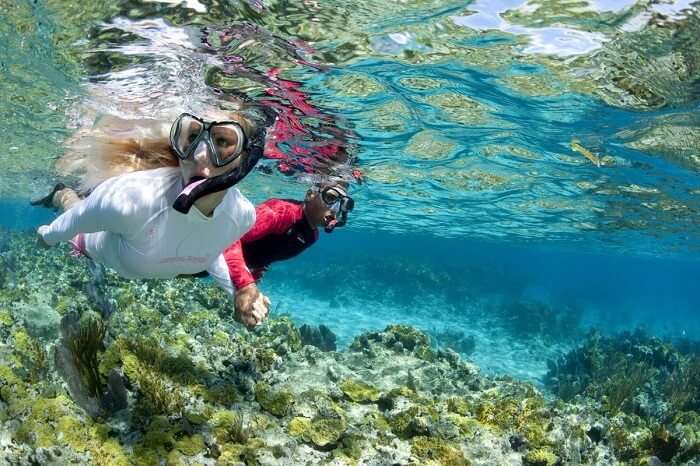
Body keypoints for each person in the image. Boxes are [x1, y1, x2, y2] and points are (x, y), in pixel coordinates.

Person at [34, 104, 276, 324]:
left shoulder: (242, 216)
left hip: (136, 257)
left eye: (223, 142)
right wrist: (46, 237)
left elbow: (208, 247)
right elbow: (74, 221)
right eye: (192, 138)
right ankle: (61, 193)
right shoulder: (130, 202)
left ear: (245, 159)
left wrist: (237, 292)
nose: (199, 154)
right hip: (97, 243)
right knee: (73, 205)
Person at [224, 182, 354, 327]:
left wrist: (249, 296)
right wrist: (246, 287)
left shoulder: (311, 236)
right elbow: (227, 237)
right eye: (331, 197)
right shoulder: (281, 213)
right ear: (310, 195)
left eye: (343, 204)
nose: (335, 209)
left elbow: (268, 255)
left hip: (218, 264)